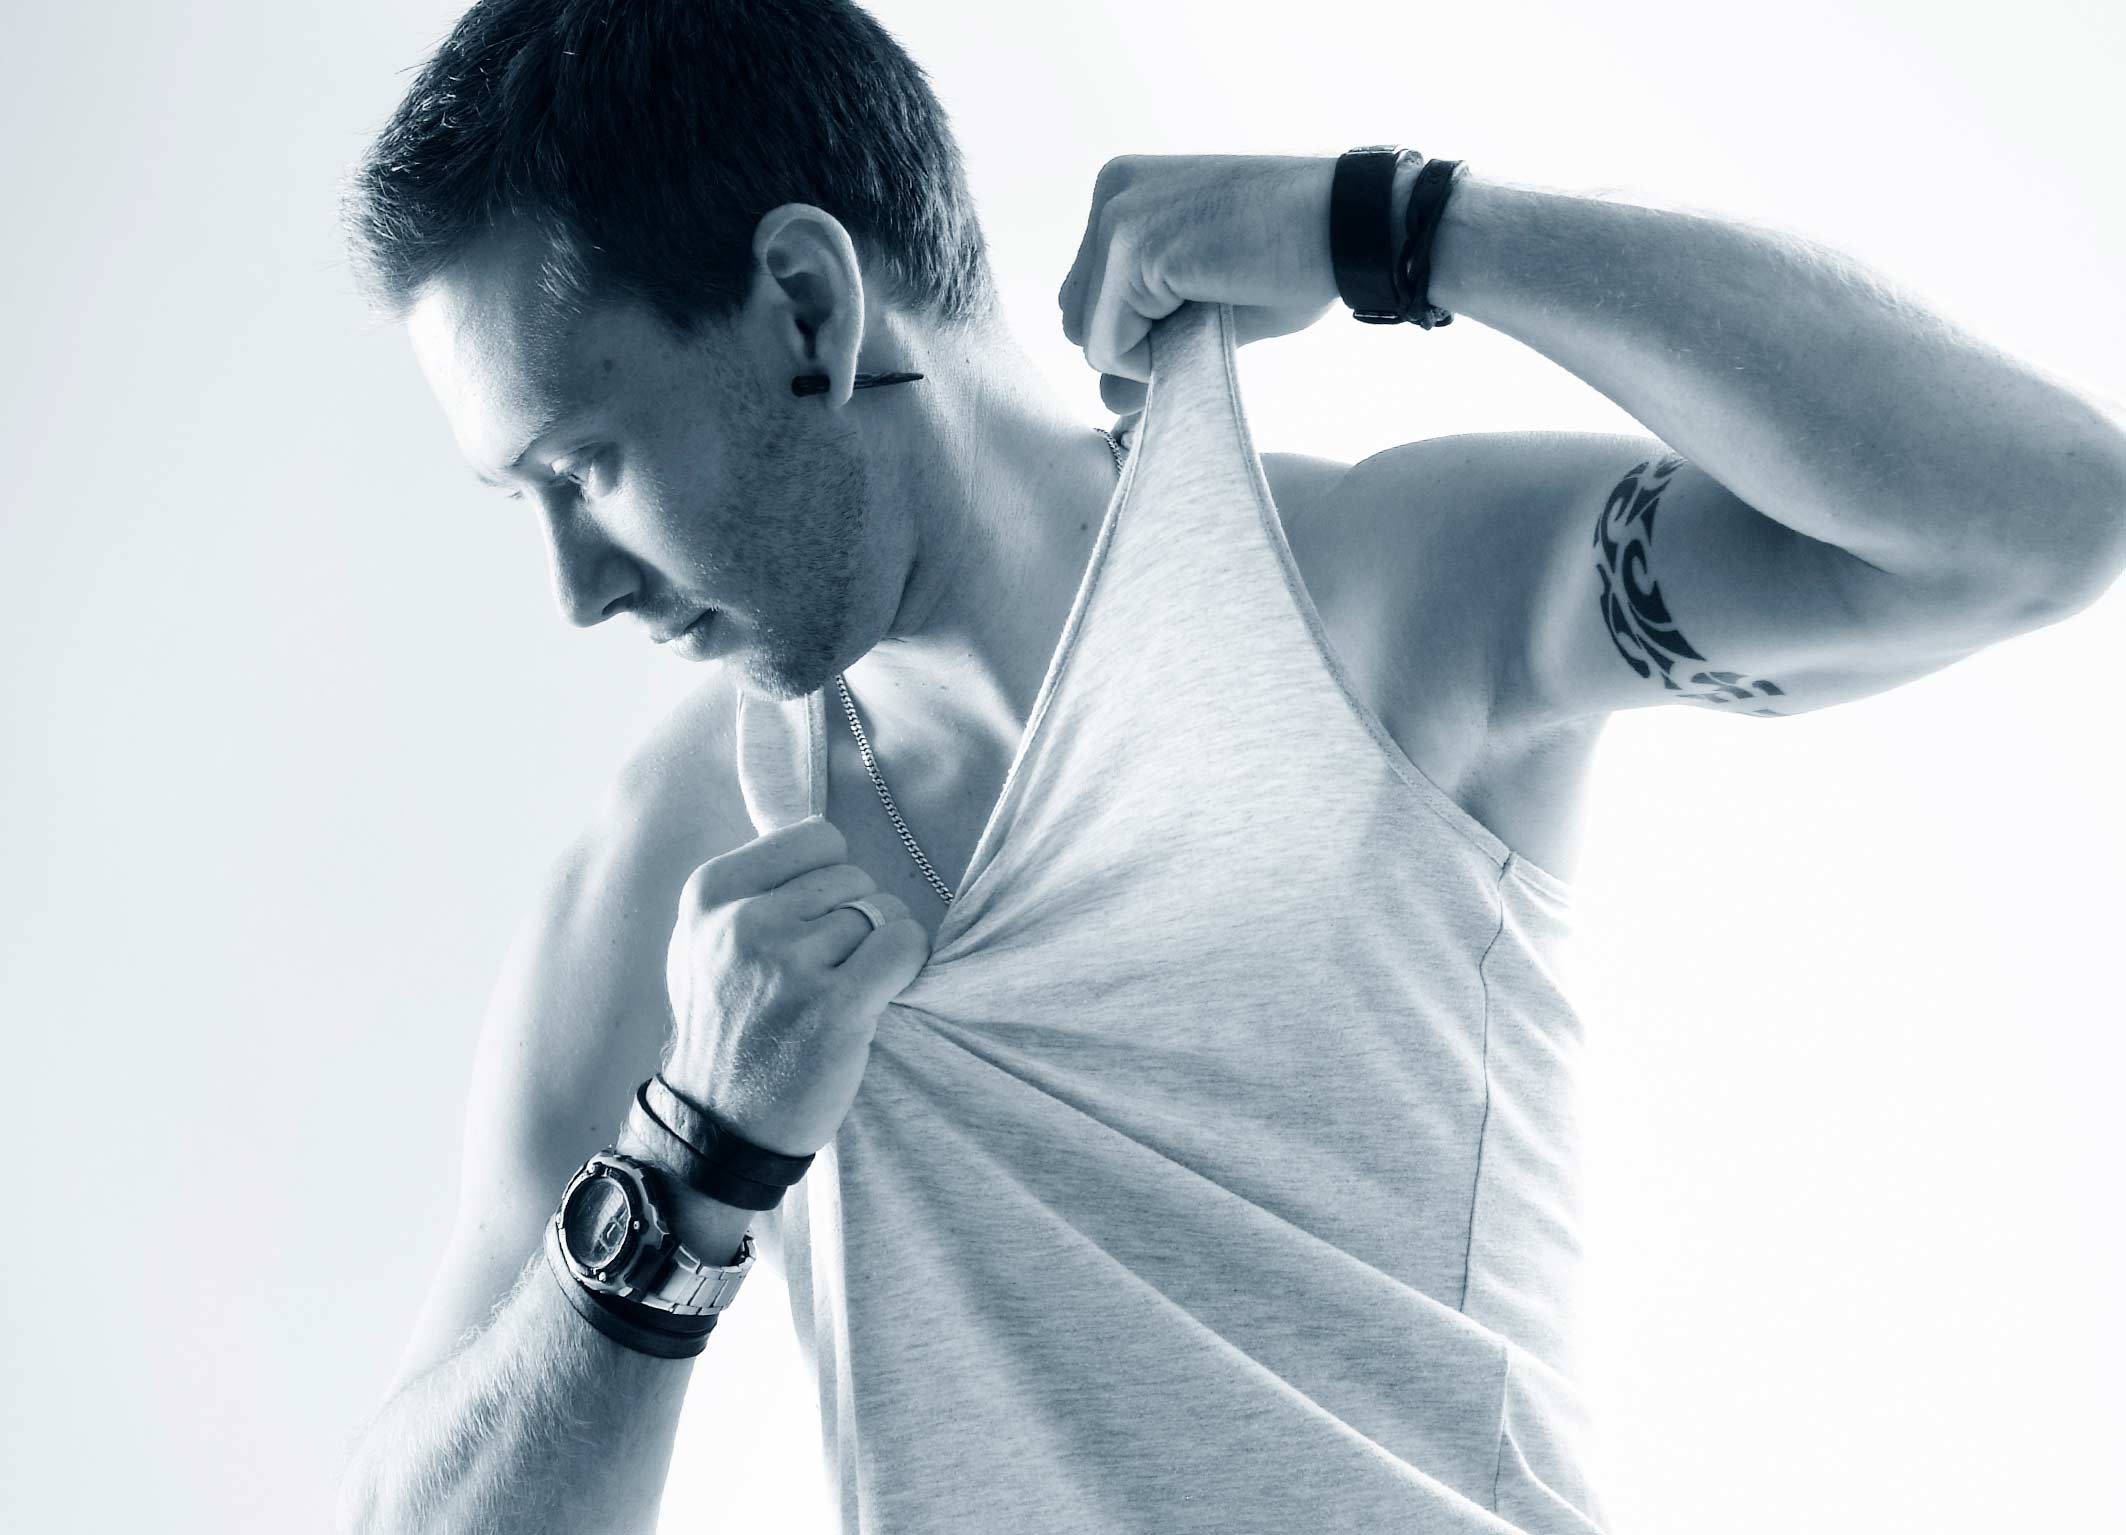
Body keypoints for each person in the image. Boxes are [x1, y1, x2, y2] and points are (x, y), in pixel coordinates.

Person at [328, 3, 2126, 1532]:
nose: (574, 590)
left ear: (808, 305)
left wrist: (1405, 228)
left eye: (583, 468)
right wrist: (693, 1162)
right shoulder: (684, 853)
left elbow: (2037, 517)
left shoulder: (1366, 604)